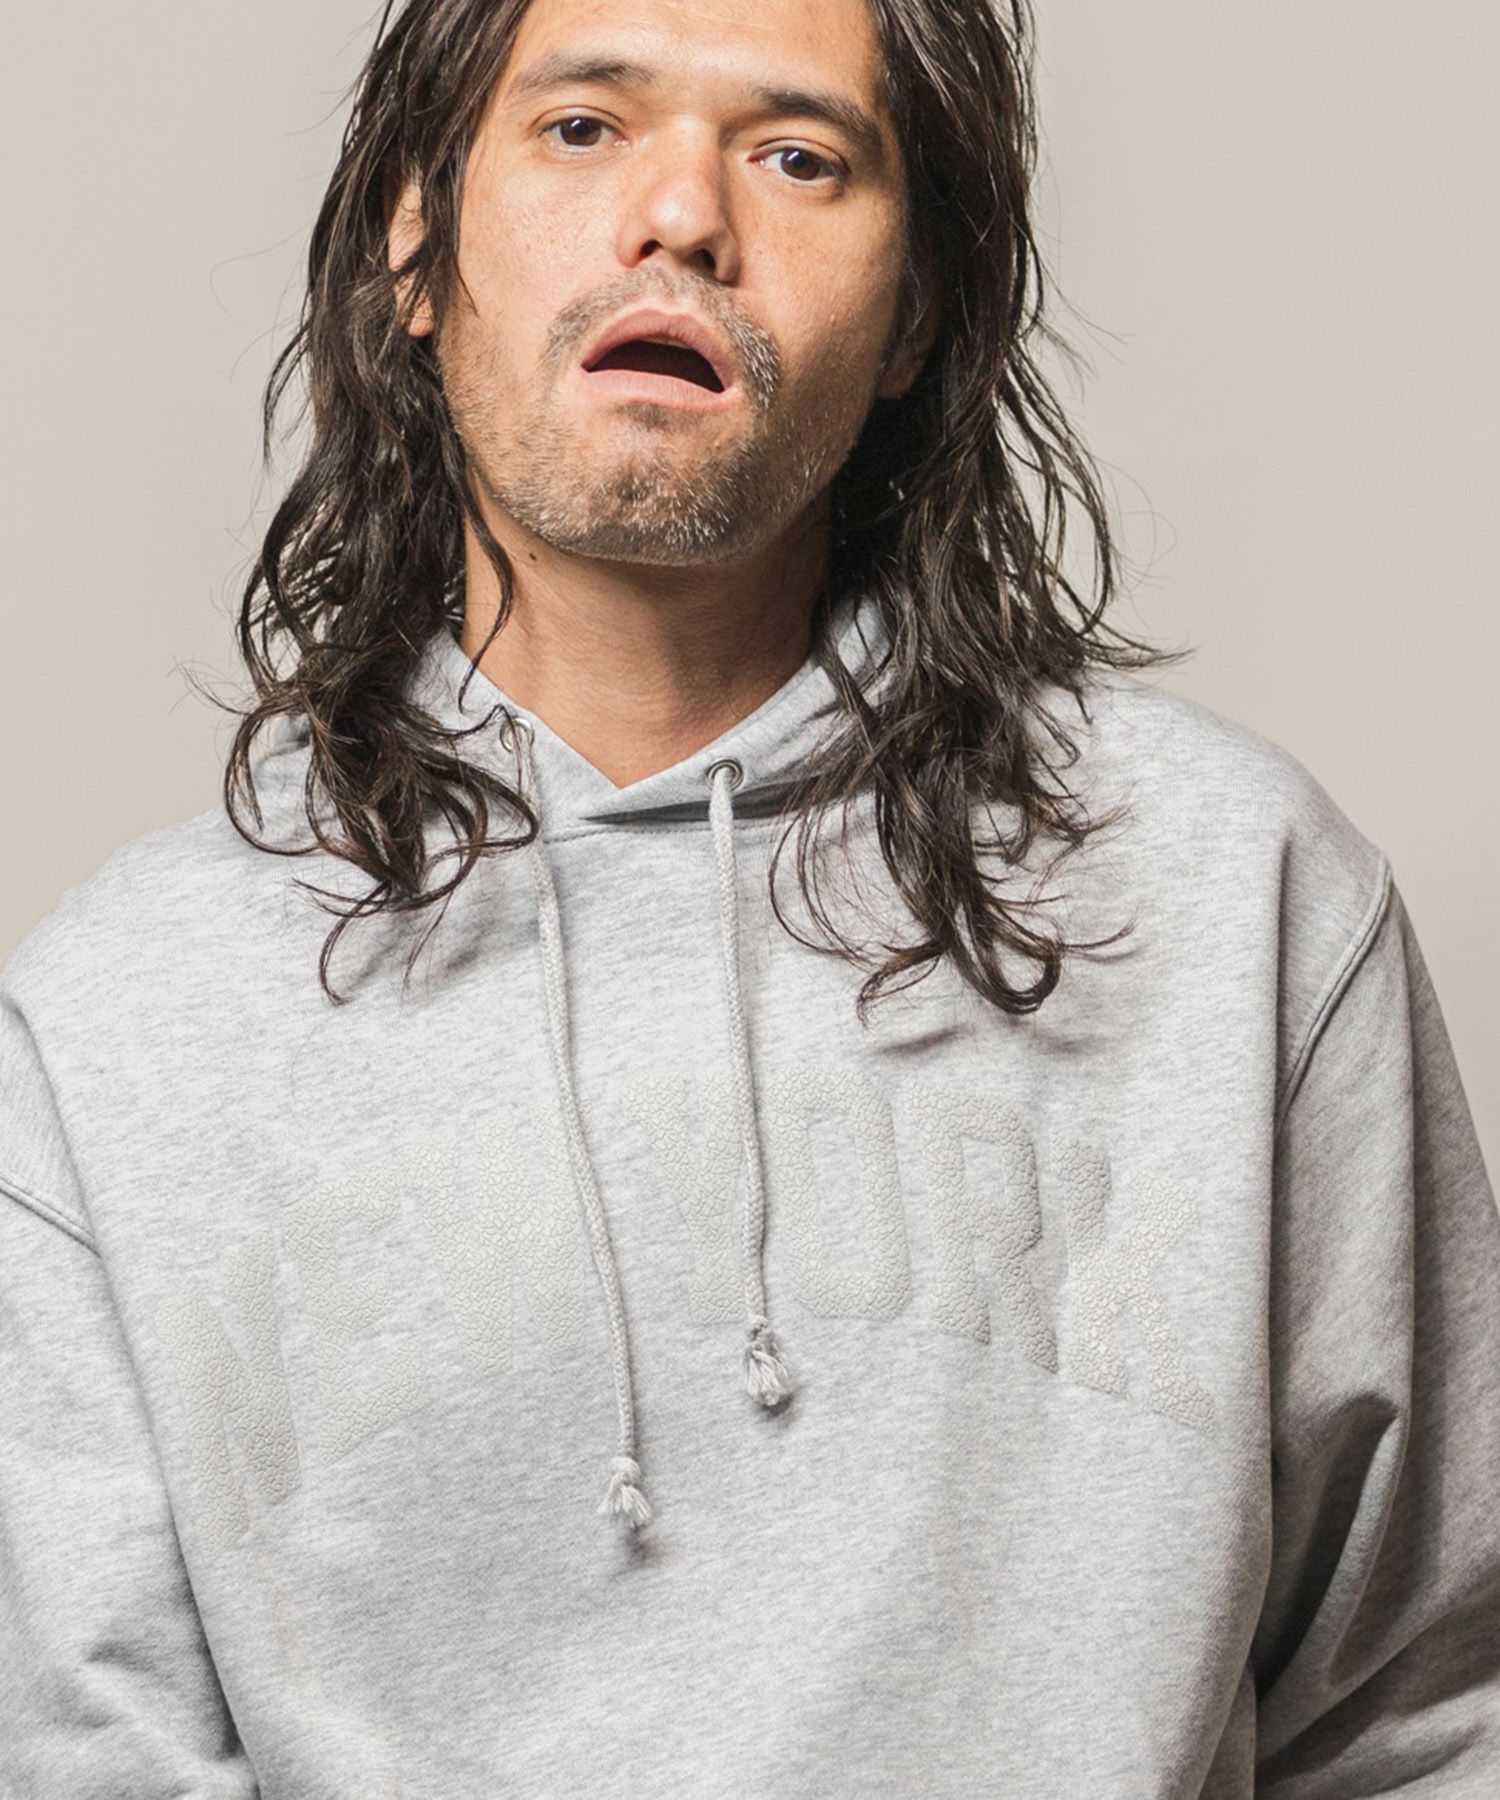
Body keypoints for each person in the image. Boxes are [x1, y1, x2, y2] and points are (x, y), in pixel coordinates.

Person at [2, 0, 1496, 1792]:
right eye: (583, 127)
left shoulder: (1235, 897)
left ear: (916, 315)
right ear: (414, 241)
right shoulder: (119, 1026)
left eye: (800, 157)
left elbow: (1428, 1715)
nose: (684, 217)